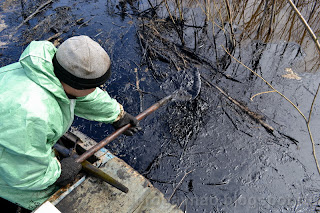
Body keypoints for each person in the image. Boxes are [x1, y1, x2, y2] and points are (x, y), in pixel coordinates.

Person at [0, 35, 140, 211]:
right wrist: (57, 174)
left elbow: (84, 96)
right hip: (8, 167)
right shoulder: (32, 115)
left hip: (13, 133)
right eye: (94, 86)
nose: (96, 90)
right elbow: (23, 173)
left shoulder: (48, 69)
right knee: (47, 194)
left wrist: (117, 115)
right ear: (78, 85)